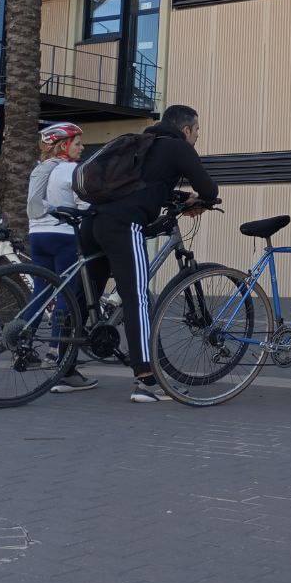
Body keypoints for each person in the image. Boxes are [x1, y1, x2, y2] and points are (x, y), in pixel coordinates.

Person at [79, 105, 218, 403]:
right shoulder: (179, 148)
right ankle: (146, 380)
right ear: (186, 130)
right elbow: (208, 187)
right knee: (137, 298)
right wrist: (204, 200)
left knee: (82, 295)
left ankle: (63, 368)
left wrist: (181, 198)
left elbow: (148, 187)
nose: (196, 138)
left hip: (92, 222)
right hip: (122, 224)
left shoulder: (142, 144)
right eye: (197, 132)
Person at [27, 122, 97, 394]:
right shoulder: (72, 170)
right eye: (77, 143)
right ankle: (56, 350)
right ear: (63, 145)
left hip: (37, 236)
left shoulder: (39, 169)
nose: (82, 148)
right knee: (67, 295)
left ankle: (22, 342)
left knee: (40, 292)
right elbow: (86, 205)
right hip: (64, 237)